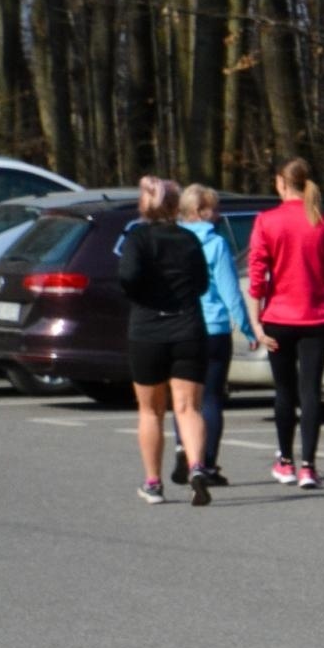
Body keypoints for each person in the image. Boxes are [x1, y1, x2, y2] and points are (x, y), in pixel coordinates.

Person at [248, 157, 324, 490]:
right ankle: (308, 466)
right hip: (316, 317)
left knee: (284, 391)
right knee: (310, 391)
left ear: (280, 182)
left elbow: (257, 275)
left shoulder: (267, 221)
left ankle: (286, 463)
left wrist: (256, 321)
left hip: (278, 316)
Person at [118, 175, 213, 507]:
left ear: (144, 205)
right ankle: (199, 467)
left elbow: (127, 277)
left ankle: (153, 483)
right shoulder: (189, 239)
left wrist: (142, 295)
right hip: (188, 328)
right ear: (175, 206)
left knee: (151, 410)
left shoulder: (137, 238)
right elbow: (202, 283)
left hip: (147, 331)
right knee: (188, 408)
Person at [171, 184, 261, 488]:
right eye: (214, 209)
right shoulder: (216, 244)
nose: (219, 215)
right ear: (199, 212)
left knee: (183, 398)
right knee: (209, 397)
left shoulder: (174, 240)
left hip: (180, 326)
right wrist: (247, 327)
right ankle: (206, 463)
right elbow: (229, 291)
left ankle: (182, 447)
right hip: (213, 327)